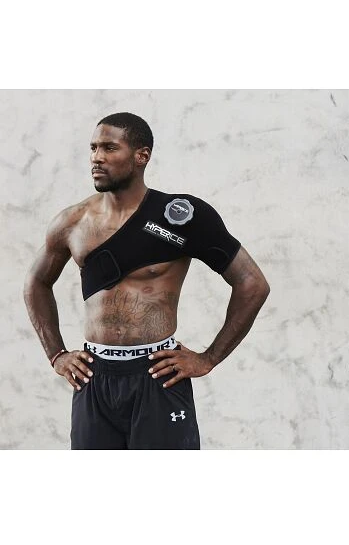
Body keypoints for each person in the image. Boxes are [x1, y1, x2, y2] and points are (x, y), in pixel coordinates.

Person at [23, 112, 270, 449]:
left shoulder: (183, 218)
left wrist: (209, 358)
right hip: (94, 376)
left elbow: (252, 283)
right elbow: (36, 282)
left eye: (110, 148)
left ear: (142, 156)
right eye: (93, 148)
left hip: (157, 375)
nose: (97, 157)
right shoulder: (72, 222)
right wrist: (57, 355)